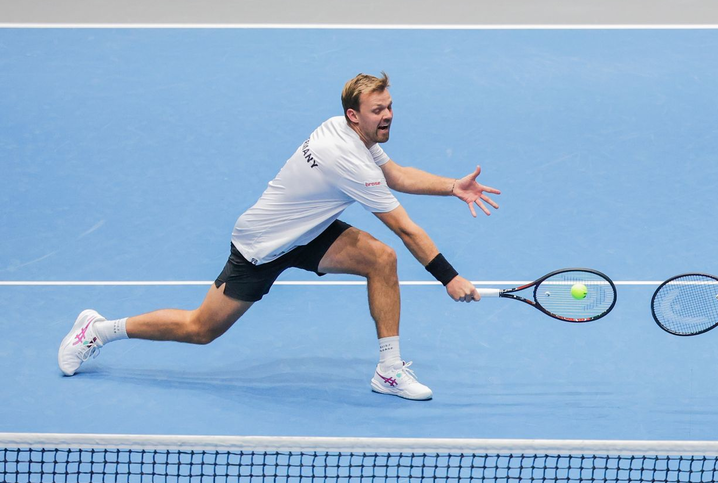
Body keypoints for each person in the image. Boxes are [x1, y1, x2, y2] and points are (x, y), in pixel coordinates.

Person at [57, 72, 500, 401]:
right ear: (354, 115)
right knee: (201, 329)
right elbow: (405, 226)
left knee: (379, 260)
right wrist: (449, 278)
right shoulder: (347, 159)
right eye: (377, 110)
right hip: (263, 245)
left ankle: (388, 369)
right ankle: (99, 330)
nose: (387, 115)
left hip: (308, 229)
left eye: (388, 106)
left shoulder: (349, 131)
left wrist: (451, 186)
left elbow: (398, 174)